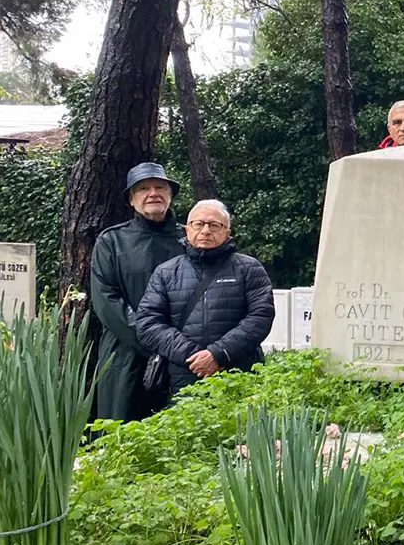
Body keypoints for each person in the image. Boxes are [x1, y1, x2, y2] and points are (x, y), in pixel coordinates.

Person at [136, 199, 275, 400]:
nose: (206, 231)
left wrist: (218, 354)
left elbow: (260, 317)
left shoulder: (249, 269)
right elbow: (148, 323)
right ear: (187, 230)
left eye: (214, 225)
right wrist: (192, 356)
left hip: (239, 375)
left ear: (227, 232)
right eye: (198, 224)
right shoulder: (166, 272)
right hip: (183, 380)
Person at [90, 162, 187, 422]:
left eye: (160, 187)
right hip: (125, 356)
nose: (152, 193)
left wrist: (177, 349)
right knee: (121, 437)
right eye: (143, 188)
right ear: (131, 200)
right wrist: (155, 342)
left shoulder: (189, 241)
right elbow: (107, 302)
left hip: (181, 357)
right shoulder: (111, 242)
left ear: (170, 195)